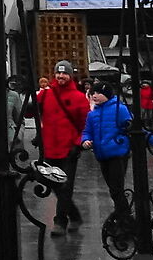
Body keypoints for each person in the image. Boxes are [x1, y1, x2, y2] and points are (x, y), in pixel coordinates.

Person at [37, 60, 91, 234]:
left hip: (68, 149)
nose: (61, 76)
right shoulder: (46, 95)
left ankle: (60, 221)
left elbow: (85, 123)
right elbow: (30, 110)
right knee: (53, 184)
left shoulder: (78, 97)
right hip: (50, 148)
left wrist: (78, 143)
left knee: (65, 186)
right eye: (58, 73)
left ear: (70, 75)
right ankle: (74, 215)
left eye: (64, 73)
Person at [83, 85, 134, 226]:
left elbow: (133, 127)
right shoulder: (92, 114)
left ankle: (124, 218)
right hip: (102, 155)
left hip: (117, 153)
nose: (94, 95)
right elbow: (87, 131)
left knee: (116, 188)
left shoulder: (120, 109)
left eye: (98, 93)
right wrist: (85, 141)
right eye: (93, 93)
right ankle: (123, 216)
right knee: (113, 189)